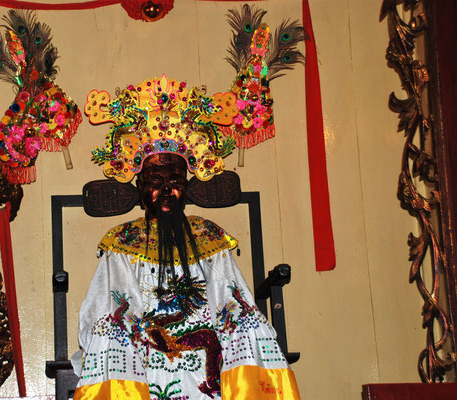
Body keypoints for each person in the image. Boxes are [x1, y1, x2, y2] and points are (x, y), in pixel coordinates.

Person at [72, 76, 299, 399]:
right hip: (143, 350)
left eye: (176, 179)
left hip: (206, 344)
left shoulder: (208, 236)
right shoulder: (123, 242)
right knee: (112, 333)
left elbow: (229, 296)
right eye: (155, 179)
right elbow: (107, 305)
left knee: (248, 324)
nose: (166, 188)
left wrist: (237, 321)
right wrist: (134, 329)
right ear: (140, 189)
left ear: (188, 188)